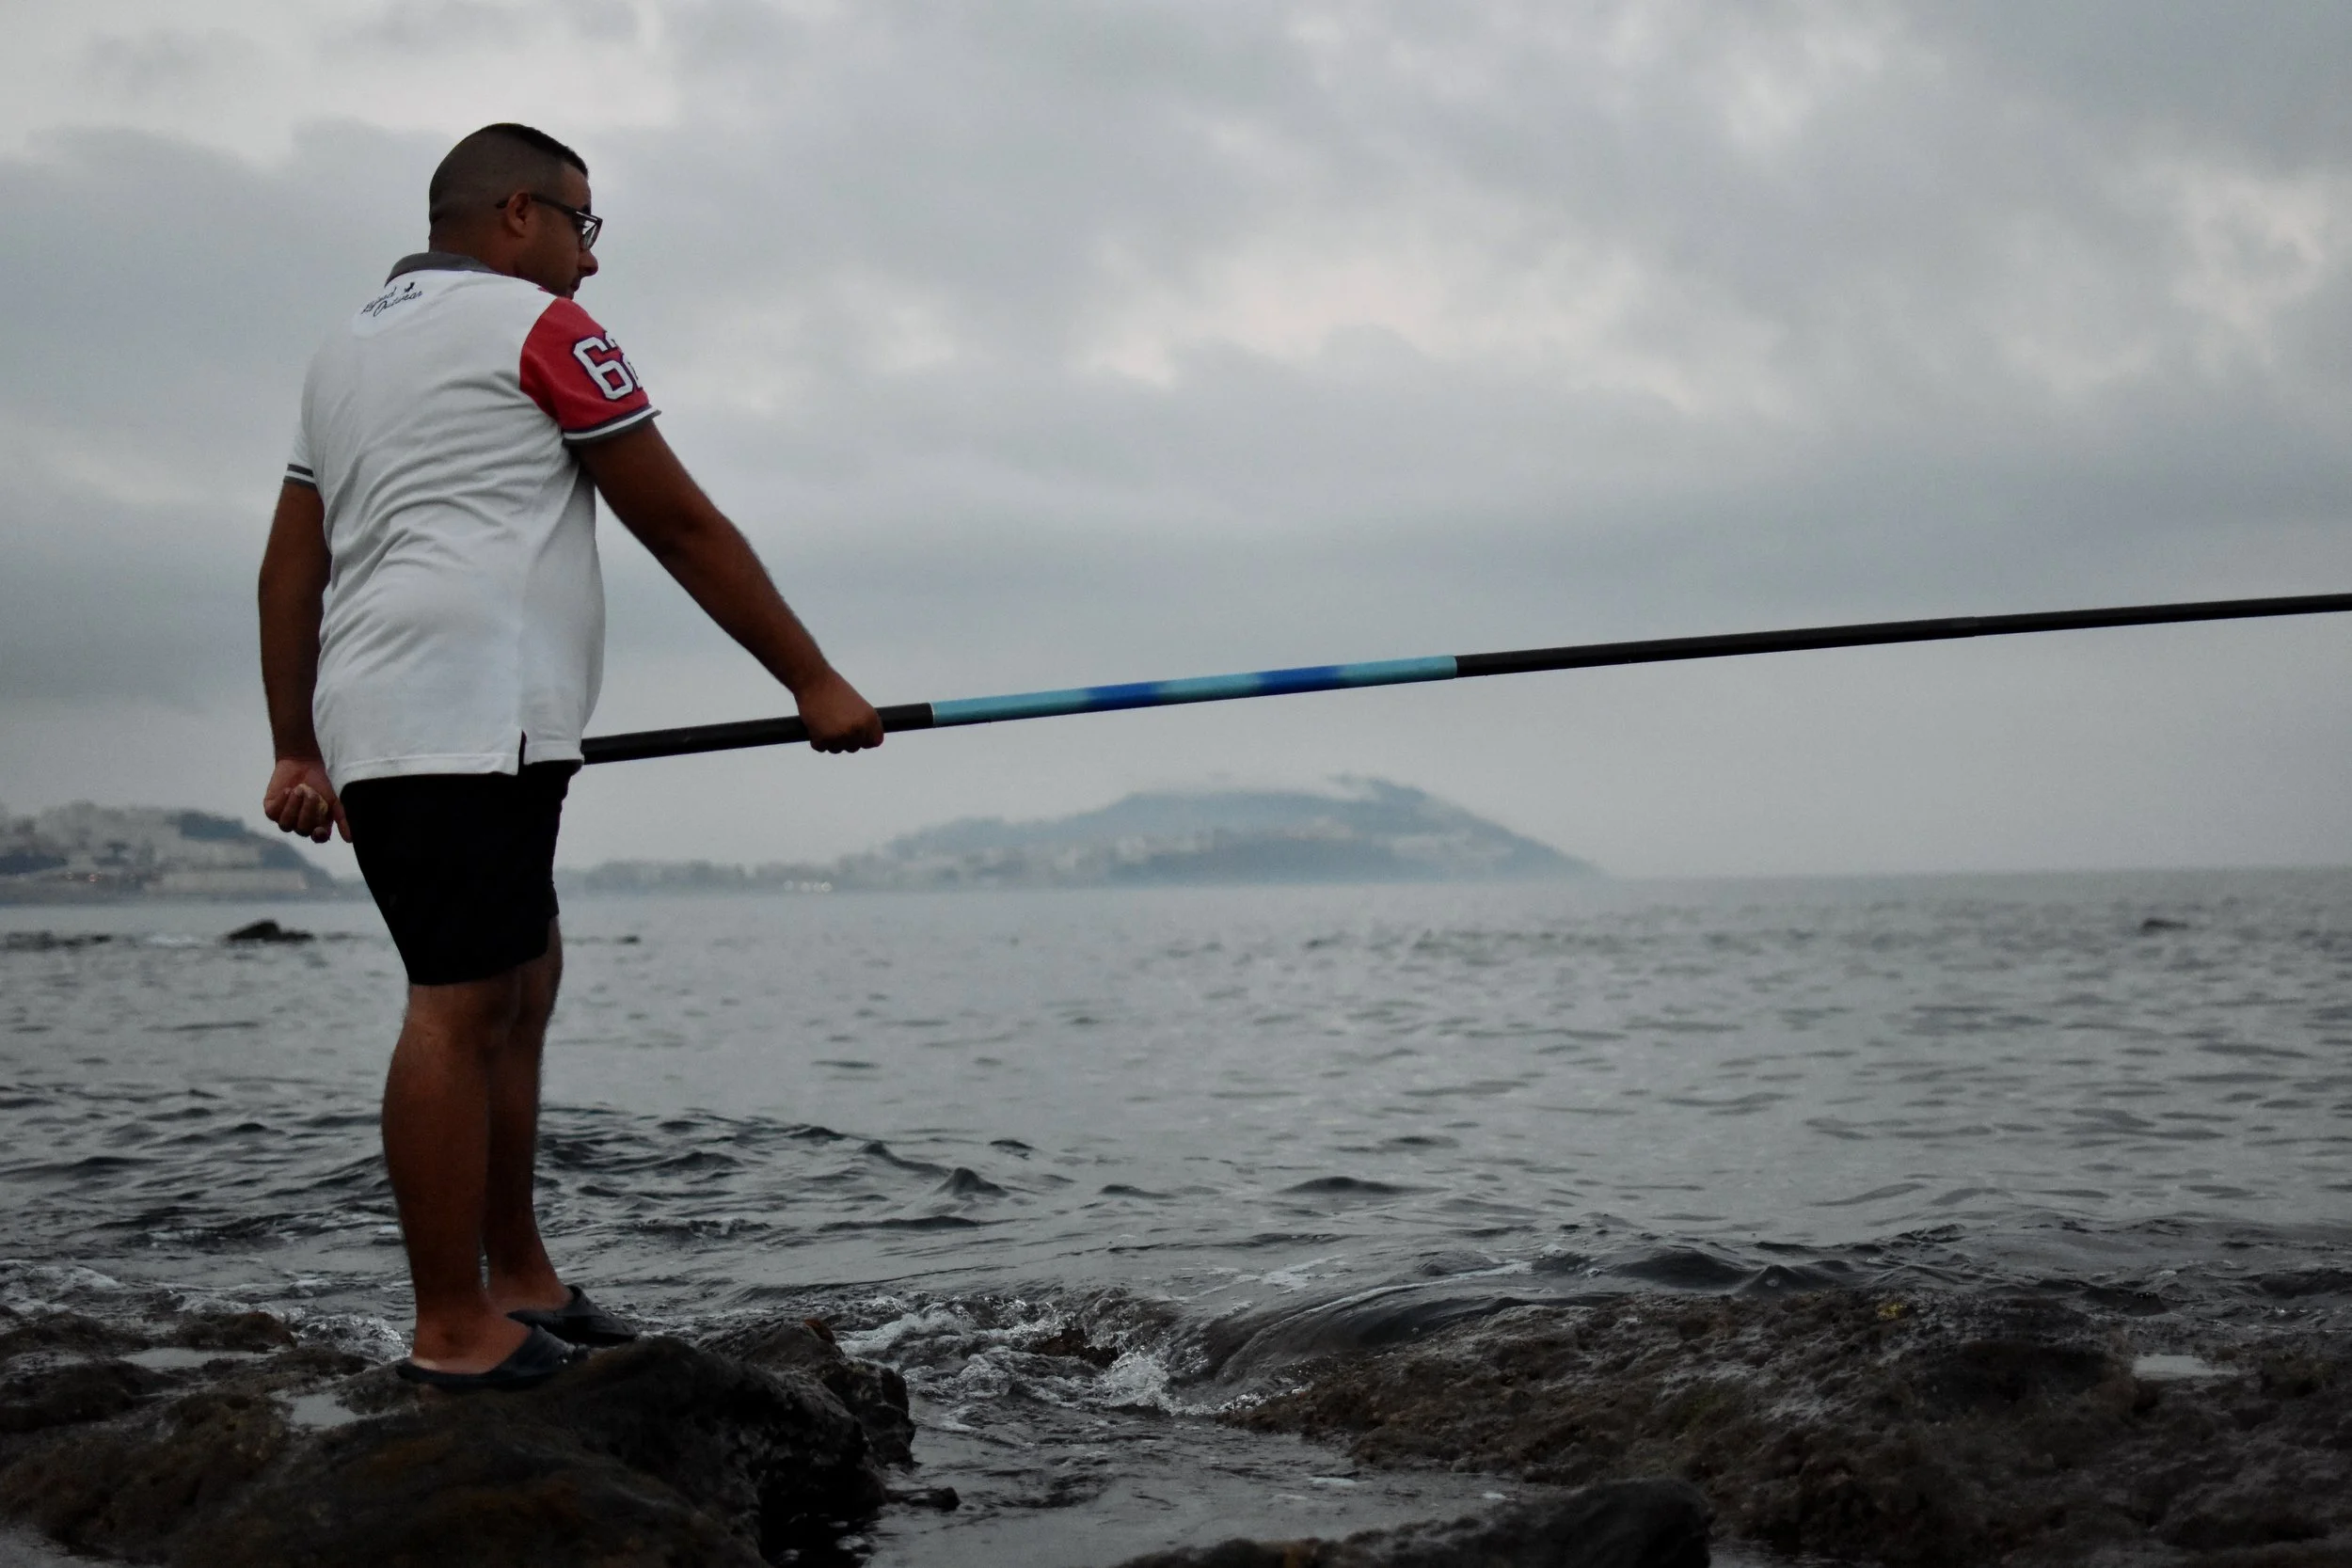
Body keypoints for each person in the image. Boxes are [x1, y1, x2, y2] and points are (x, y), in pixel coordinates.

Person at [256, 123, 884, 1391]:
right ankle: (453, 1330)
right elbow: (678, 520)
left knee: (524, 975)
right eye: (582, 228)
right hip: (465, 712)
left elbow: (289, 568)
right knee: (459, 1002)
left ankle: (521, 1276)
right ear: (517, 214)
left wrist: (299, 744)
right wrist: (812, 680)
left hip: (415, 717)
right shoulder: (542, 328)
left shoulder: (345, 350)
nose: (591, 263)